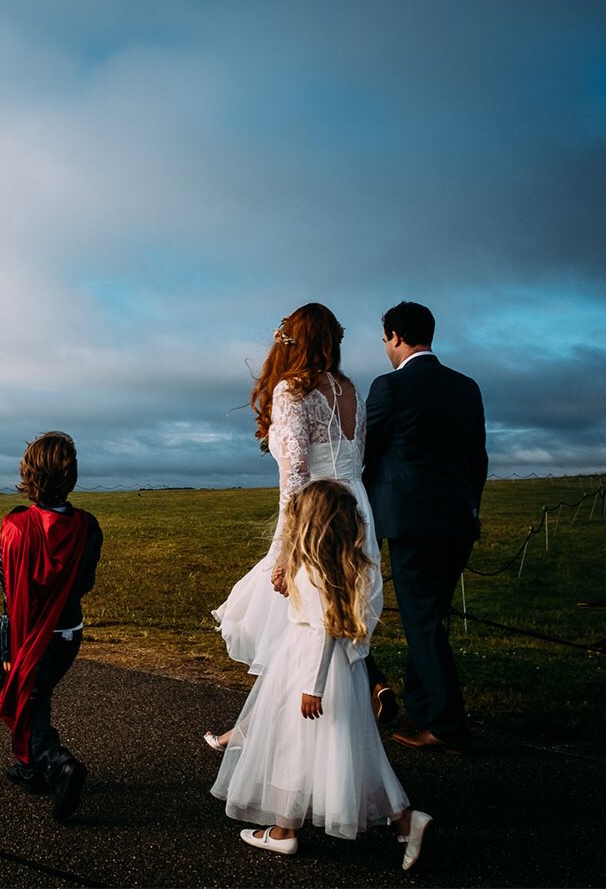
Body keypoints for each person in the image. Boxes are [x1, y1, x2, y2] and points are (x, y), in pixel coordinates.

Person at [211, 479, 432, 869]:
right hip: (342, 674)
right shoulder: (340, 567)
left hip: (306, 672)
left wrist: (312, 687)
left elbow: (321, 629)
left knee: (288, 743)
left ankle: (285, 831)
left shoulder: (313, 571)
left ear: (309, 524)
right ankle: (401, 821)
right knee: (352, 751)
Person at [208, 304, 391, 750]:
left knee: (297, 625)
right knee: (329, 621)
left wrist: (287, 551)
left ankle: (279, 744)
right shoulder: (350, 390)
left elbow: (295, 475)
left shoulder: (292, 391)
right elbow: (357, 460)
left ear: (292, 341)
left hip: (314, 517)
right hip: (355, 510)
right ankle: (266, 729)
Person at [363, 302, 487, 754]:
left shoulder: (391, 387)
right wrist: (469, 509)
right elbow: (478, 459)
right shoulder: (466, 387)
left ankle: (448, 726)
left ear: (395, 336)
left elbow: (365, 451)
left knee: (422, 623)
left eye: (384, 340)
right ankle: (422, 704)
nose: (385, 348)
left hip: (412, 525)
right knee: (431, 618)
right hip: (458, 521)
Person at [0, 431, 103, 822]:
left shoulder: (15, 526)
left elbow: (7, 586)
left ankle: (58, 763)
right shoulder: (89, 527)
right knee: (37, 697)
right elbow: (85, 582)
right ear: (71, 476)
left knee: (30, 699)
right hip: (68, 633)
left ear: (29, 474)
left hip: (27, 634)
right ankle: (29, 768)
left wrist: (10, 643)